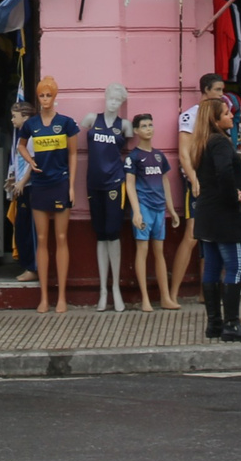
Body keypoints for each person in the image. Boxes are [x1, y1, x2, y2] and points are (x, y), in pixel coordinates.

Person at [191, 96, 241, 341]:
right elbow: (224, 171)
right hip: (224, 216)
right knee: (236, 266)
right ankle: (231, 324)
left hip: (207, 216)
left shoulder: (202, 142)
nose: (231, 116)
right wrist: (234, 196)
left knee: (212, 267)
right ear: (215, 119)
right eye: (227, 113)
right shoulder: (220, 142)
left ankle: (214, 324)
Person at [19, 75, 79, 312]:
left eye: (49, 95)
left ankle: (62, 297)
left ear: (55, 97)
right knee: (42, 240)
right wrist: (30, 161)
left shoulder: (66, 123)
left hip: (60, 183)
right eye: (42, 95)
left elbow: (74, 155)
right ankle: (44, 297)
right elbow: (21, 144)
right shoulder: (31, 124)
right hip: (40, 185)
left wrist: (72, 186)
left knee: (61, 238)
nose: (45, 99)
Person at [169, 72, 227, 296]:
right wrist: (193, 179)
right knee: (192, 234)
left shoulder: (221, 115)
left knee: (214, 234)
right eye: (218, 90)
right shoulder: (190, 116)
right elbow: (184, 153)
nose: (222, 95)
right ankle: (173, 292)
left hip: (215, 181)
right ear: (206, 91)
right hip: (196, 181)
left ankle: (209, 291)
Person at [122, 114, 180, 311]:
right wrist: (136, 212)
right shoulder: (133, 157)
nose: (148, 128)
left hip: (159, 209)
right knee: (142, 250)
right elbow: (129, 185)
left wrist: (171, 209)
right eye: (143, 126)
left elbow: (165, 182)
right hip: (144, 208)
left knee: (160, 253)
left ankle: (165, 297)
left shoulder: (159, 156)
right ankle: (145, 298)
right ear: (136, 131)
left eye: (150, 125)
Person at [85, 84, 132, 311]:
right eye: (111, 98)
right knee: (100, 235)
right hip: (94, 183)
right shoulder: (92, 119)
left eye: (117, 100)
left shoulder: (125, 126)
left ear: (121, 103)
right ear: (105, 98)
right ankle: (103, 289)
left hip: (115, 182)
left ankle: (116, 288)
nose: (113, 103)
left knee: (113, 234)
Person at [6, 97, 38, 282]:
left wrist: (22, 182)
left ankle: (32, 267)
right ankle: (28, 265)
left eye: (14, 116)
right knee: (21, 228)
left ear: (25, 117)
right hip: (22, 187)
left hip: (29, 188)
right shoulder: (22, 137)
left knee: (28, 231)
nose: (12, 120)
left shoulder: (32, 138)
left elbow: (32, 163)